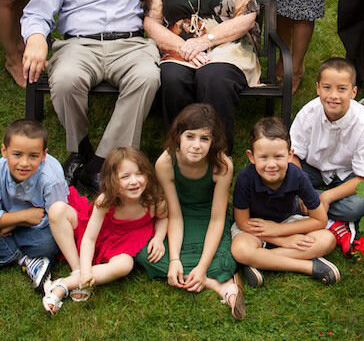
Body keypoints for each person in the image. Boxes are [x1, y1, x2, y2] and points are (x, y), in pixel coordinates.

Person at [21, 0, 161, 192]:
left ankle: (99, 163)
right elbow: (38, 11)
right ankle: (80, 148)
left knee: (147, 77)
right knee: (66, 79)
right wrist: (36, 38)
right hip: (79, 44)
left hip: (129, 43)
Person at [143, 0, 260, 153]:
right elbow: (151, 21)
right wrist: (183, 47)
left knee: (214, 77)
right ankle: (179, 155)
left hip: (226, 46)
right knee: (173, 78)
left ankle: (219, 157)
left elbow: (247, 16)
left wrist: (205, 41)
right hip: (178, 47)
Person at [136, 104, 245, 320]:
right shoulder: (165, 163)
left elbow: (217, 219)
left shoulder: (222, 165)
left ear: (213, 141)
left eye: (204, 139)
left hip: (209, 219)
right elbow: (174, 215)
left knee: (221, 261)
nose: (196, 145)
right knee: (143, 252)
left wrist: (202, 267)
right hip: (178, 218)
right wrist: (174, 259)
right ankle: (218, 284)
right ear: (178, 136)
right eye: (190, 136)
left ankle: (202, 274)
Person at [43, 147, 168, 313]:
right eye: (125, 176)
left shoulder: (153, 200)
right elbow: (89, 238)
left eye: (139, 174)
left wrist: (159, 237)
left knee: (125, 265)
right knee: (57, 210)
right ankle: (78, 271)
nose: (134, 181)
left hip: (121, 244)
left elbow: (163, 217)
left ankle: (64, 284)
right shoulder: (106, 201)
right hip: (97, 233)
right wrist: (85, 269)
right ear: (112, 180)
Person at [229, 117, 340, 289]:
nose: (271, 164)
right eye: (263, 157)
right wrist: (281, 240)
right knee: (240, 249)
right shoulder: (245, 178)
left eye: (278, 156)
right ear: (251, 157)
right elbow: (242, 222)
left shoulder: (298, 176)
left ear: (290, 155)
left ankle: (259, 261)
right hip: (253, 228)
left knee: (327, 239)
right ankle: (308, 266)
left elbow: (320, 220)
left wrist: (279, 230)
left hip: (287, 223)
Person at [0, 119, 67, 291]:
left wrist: (13, 224)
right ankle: (26, 260)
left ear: (44, 155)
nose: (24, 163)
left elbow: (57, 217)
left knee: (48, 244)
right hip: (9, 215)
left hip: (37, 228)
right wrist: (18, 219)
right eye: (17, 155)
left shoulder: (51, 179)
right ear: (4, 151)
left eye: (33, 156)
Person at [289, 58, 364, 254]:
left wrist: (326, 197)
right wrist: (304, 189)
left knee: (356, 206)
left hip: (348, 174)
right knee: (278, 179)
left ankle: (309, 211)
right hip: (313, 169)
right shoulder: (309, 112)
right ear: (318, 88)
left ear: (353, 92)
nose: (333, 96)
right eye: (327, 88)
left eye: (342, 89)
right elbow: (292, 156)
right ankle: (333, 223)